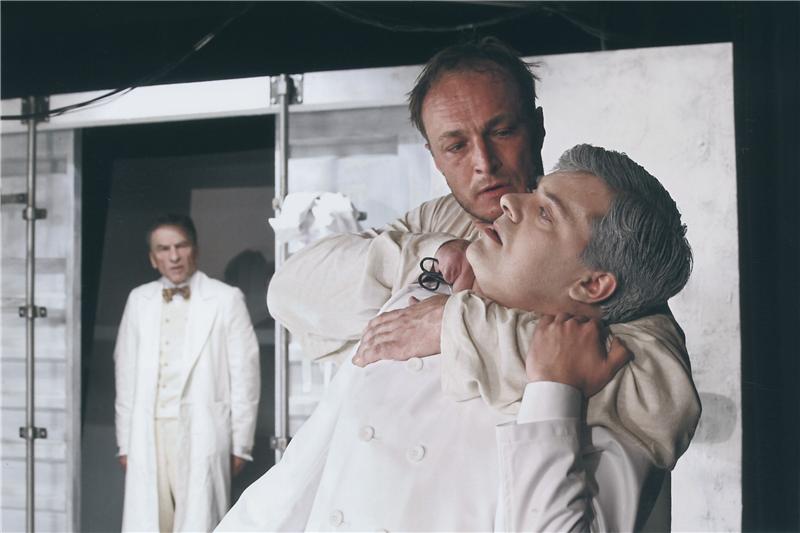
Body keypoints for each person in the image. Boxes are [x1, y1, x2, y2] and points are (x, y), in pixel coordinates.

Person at [267, 37, 700, 472]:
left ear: (537, 128)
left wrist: (453, 326)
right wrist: (433, 254)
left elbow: (661, 403)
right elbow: (291, 293)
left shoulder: (592, 238)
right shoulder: (437, 222)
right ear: (435, 158)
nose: (484, 163)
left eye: (502, 132)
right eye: (456, 146)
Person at [217, 144, 693, 531]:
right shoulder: (418, 299)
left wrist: (550, 388)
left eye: (546, 213)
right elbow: (301, 475)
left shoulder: (596, 394)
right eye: (454, 144)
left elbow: (665, 398)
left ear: (592, 285)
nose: (509, 200)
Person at [114, 214, 260, 532]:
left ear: (195, 249)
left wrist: (241, 445)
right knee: (152, 522)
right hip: (150, 430)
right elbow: (125, 374)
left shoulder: (226, 299)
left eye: (181, 246)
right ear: (153, 258)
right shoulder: (139, 300)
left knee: (199, 521)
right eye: (163, 249)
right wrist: (125, 443)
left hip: (202, 428)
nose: (174, 256)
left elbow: (245, 378)